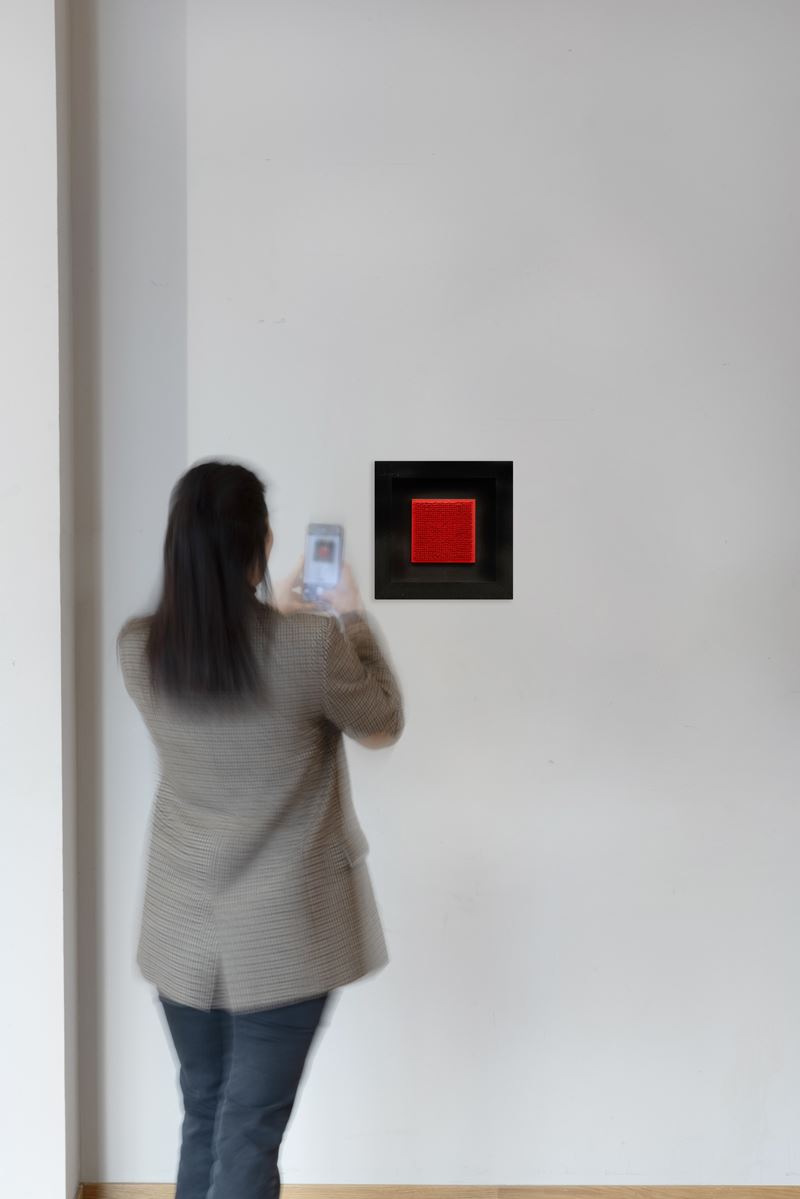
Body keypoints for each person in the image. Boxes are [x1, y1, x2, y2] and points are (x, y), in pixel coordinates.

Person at [117, 460, 403, 1199]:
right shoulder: (309, 647)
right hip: (283, 936)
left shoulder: (140, 648)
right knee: (248, 1129)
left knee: (205, 1113)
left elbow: (236, 672)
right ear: (262, 542)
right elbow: (381, 722)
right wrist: (350, 617)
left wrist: (275, 613)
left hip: (183, 936)